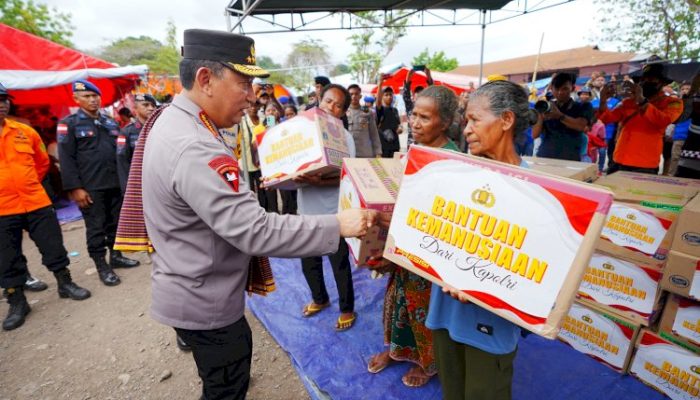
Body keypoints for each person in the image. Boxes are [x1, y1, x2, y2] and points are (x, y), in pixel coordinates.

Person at [125, 29, 375, 400]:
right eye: (243, 83)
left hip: (186, 281)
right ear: (205, 79)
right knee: (226, 388)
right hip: (206, 300)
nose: (252, 96)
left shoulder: (173, 121)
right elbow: (255, 231)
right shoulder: (195, 144)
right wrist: (339, 224)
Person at [427, 80, 532, 400]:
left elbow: (532, 271)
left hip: (490, 325)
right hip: (445, 313)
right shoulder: (454, 175)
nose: (467, 128)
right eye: (466, 120)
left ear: (506, 120)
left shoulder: (534, 191)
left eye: (475, 119)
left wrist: (478, 284)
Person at [367, 86, 460, 389]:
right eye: (414, 115)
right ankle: (397, 351)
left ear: (445, 122)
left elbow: (447, 216)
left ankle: (427, 362)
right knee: (399, 298)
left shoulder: (454, 162)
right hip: (403, 240)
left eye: (425, 117)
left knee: (425, 304)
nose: (415, 123)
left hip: (431, 249)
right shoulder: (417, 149)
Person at [1, 82, 91, 331]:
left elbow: (42, 163)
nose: (2, 104)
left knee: (53, 246)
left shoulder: (25, 132)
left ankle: (65, 284)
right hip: (3, 209)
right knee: (7, 257)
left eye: (4, 99)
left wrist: (27, 183)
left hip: (36, 201)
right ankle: (17, 300)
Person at [57, 80, 140, 287]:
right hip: (90, 187)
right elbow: (66, 158)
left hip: (113, 183)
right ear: (76, 99)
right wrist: (75, 188)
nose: (93, 100)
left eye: (95, 96)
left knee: (115, 223)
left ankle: (116, 255)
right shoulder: (69, 124)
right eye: (87, 96)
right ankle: (101, 265)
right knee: (96, 228)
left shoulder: (109, 122)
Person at [294, 83, 359, 332]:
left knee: (338, 263)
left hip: (333, 212)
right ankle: (319, 299)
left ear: (343, 112)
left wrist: (320, 181)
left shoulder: (345, 137)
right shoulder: (305, 133)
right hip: (305, 210)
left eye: (338, 105)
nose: (331, 107)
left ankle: (346, 308)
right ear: (320, 101)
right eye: (328, 101)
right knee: (308, 262)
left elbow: (348, 174)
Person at [598, 63, 684, 174]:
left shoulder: (672, 102)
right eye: (643, 79)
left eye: (651, 79)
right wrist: (603, 100)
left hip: (644, 164)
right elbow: (607, 118)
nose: (645, 82)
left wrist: (642, 100)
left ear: (663, 82)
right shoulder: (629, 101)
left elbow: (663, 121)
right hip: (619, 159)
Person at [532, 73, 592, 161]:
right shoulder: (547, 107)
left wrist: (559, 116)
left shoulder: (583, 106)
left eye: (565, 89)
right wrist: (540, 114)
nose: (560, 92)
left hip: (569, 157)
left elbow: (580, 126)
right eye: (556, 89)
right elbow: (535, 134)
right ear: (551, 89)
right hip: (544, 156)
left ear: (573, 88)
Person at [117, 94, 157, 194]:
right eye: (146, 105)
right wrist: (128, 189)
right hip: (139, 185)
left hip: (160, 182)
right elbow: (122, 162)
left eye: (153, 105)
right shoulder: (126, 132)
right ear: (135, 108)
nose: (151, 108)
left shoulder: (160, 128)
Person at [347, 84, 382, 158]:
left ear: (360, 96)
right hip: (349, 153)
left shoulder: (367, 112)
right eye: (351, 94)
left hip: (365, 153)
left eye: (356, 94)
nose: (354, 96)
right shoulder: (343, 113)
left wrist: (378, 152)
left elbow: (374, 133)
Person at [403, 67, 434, 145]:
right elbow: (406, 94)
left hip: (425, 142)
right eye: (417, 93)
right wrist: (409, 75)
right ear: (413, 96)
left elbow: (433, 93)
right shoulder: (410, 106)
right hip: (412, 143)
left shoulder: (428, 107)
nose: (419, 95)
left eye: (422, 93)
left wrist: (428, 75)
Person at [376, 82, 402, 158]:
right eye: (386, 95)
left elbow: (398, 125)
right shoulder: (380, 110)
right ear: (382, 97)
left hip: (395, 146)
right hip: (383, 147)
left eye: (390, 94)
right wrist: (380, 83)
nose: (389, 97)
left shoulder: (395, 110)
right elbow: (378, 102)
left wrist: (399, 128)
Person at [280, 105, 298, 214]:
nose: (289, 116)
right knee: (287, 196)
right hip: (286, 166)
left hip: (298, 166)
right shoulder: (282, 129)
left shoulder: (301, 126)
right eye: (287, 115)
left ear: (296, 113)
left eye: (291, 114)